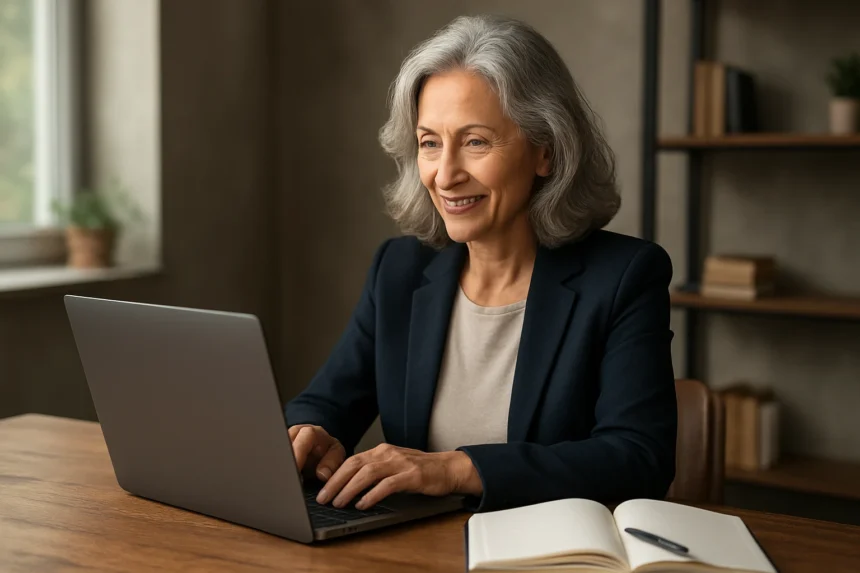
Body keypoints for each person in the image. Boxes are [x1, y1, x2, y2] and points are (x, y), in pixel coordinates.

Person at [285, 14, 676, 513]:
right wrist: (310, 433)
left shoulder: (625, 276)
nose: (445, 175)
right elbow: (324, 403)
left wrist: (453, 468)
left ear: (546, 152)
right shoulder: (399, 270)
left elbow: (639, 458)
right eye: (429, 143)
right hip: (416, 552)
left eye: (475, 142)